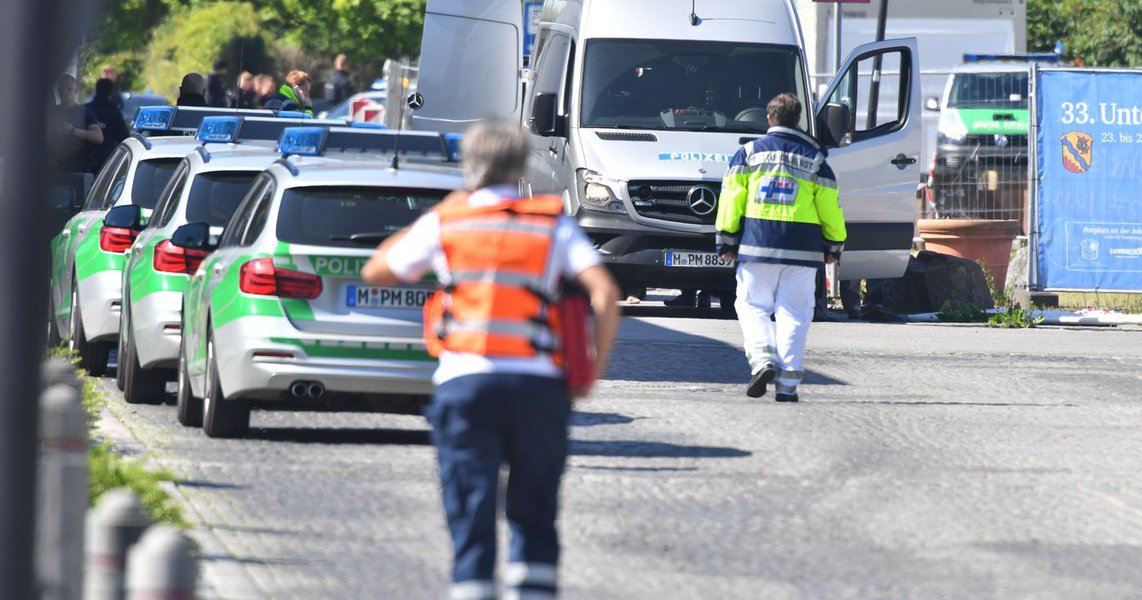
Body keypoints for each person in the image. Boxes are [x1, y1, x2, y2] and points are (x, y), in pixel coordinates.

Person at [360, 119, 621, 600]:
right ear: (521, 165)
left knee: (470, 502)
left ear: (469, 165)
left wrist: (438, 215)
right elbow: (604, 295)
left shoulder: (450, 222)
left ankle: (473, 587)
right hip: (539, 385)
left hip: (466, 382)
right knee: (534, 506)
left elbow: (376, 268)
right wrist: (591, 372)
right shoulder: (550, 224)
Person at [715, 92, 846, 402]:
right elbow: (830, 208)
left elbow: (731, 200)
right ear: (797, 120)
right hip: (802, 250)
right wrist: (834, 246)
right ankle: (787, 385)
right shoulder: (816, 159)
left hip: (756, 246)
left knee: (752, 306)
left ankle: (762, 360)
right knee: (794, 315)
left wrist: (726, 240)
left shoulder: (748, 153)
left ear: (769, 118)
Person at [49, 74, 103, 173]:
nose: (65, 92)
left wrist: (72, 131)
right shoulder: (51, 113)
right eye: (62, 88)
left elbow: (98, 137)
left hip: (79, 167)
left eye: (69, 89)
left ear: (75, 91)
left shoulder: (84, 112)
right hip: (55, 167)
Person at [85, 78, 129, 173]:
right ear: (111, 93)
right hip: (106, 161)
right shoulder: (113, 112)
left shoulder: (86, 109)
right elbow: (124, 137)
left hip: (85, 159)